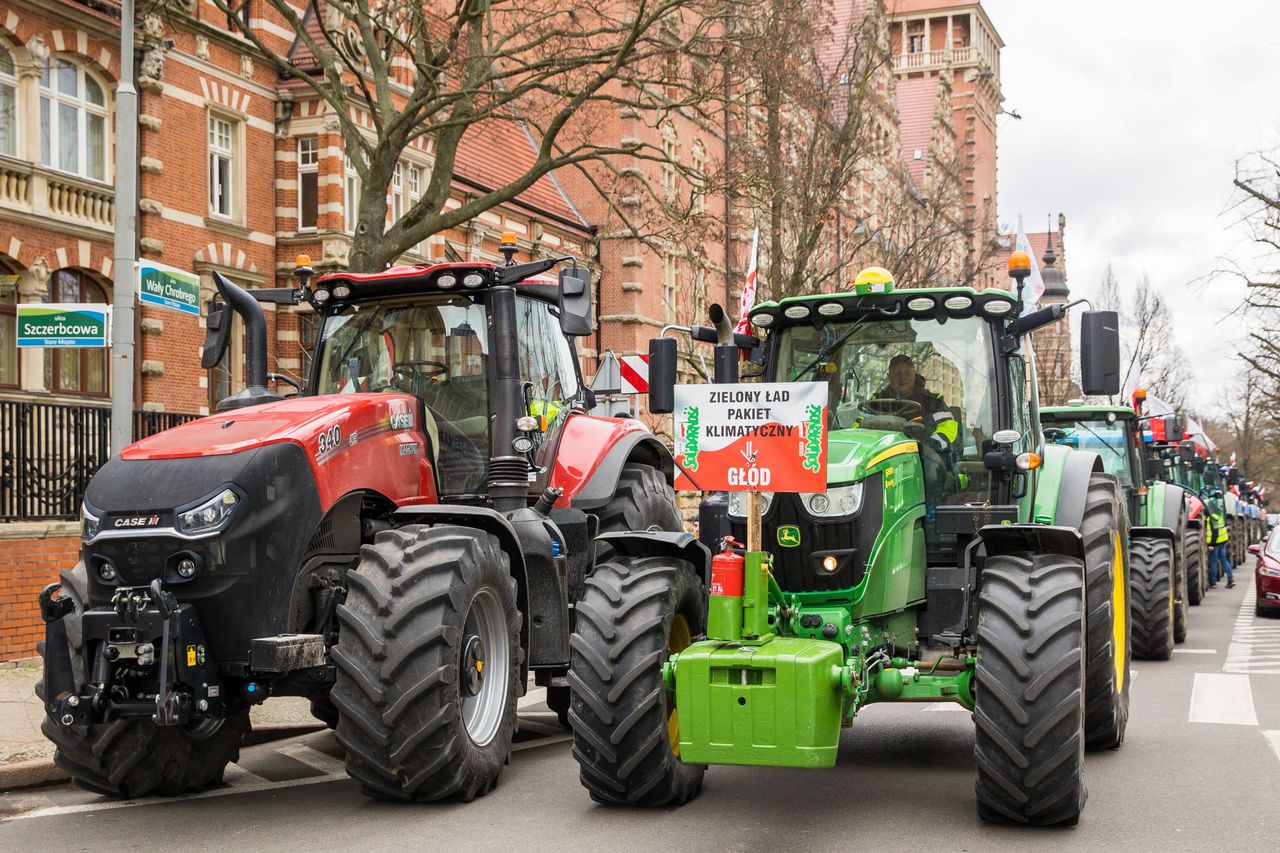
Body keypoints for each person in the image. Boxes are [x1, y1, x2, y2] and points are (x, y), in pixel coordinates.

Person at [876, 353, 960, 456]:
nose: (902, 377)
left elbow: (948, 425)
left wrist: (933, 444)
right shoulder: (877, 402)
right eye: (897, 374)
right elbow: (858, 425)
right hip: (883, 455)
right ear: (889, 376)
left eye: (906, 372)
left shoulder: (933, 402)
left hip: (926, 459)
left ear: (914, 374)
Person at [1206, 502, 1233, 589]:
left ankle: (1213, 582)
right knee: (1224, 560)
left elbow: (1214, 532)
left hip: (1215, 543)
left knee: (1213, 561)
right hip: (1223, 541)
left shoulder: (1211, 518)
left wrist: (1211, 544)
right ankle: (1230, 579)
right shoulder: (1220, 516)